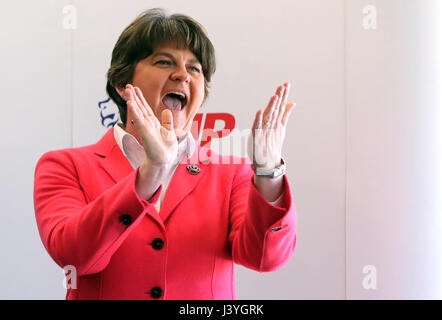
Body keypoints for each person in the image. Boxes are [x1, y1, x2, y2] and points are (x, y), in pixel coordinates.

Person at [33, 8, 297, 300]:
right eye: (164, 61)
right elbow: (74, 256)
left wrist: (268, 171)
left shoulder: (230, 171)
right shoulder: (65, 165)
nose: (183, 75)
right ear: (123, 84)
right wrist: (151, 172)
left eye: (195, 68)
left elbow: (264, 258)